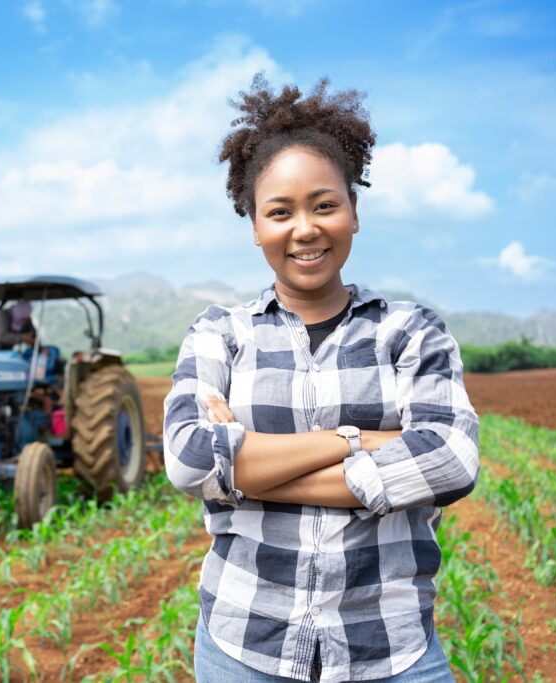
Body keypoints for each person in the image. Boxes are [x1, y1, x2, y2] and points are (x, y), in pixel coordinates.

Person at [163, 75, 479, 683]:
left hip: (388, 647)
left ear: (353, 213)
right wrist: (360, 439)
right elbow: (190, 461)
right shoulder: (219, 334)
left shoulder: (412, 332)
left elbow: (450, 460)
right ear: (255, 226)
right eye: (279, 212)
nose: (303, 228)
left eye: (324, 204)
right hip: (244, 643)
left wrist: (249, 471)